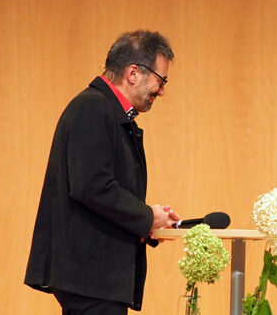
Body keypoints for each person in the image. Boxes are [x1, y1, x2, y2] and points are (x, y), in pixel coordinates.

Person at [25, 30, 181, 315]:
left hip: (94, 278)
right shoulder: (94, 108)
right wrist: (147, 217)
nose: (161, 91)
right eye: (161, 80)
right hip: (90, 277)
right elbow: (92, 186)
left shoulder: (104, 110)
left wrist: (149, 222)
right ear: (133, 73)